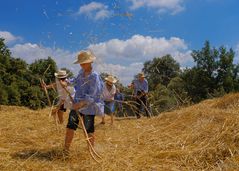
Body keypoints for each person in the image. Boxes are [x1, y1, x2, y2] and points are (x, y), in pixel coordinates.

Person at [64, 50, 104, 153]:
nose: (81, 65)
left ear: (90, 62)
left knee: (89, 130)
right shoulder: (81, 72)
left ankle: (91, 150)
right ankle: (66, 150)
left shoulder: (94, 76)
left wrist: (81, 104)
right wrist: (67, 82)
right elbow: (75, 81)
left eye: (84, 63)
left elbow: (93, 94)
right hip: (76, 104)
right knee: (70, 127)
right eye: (81, 63)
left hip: (88, 108)